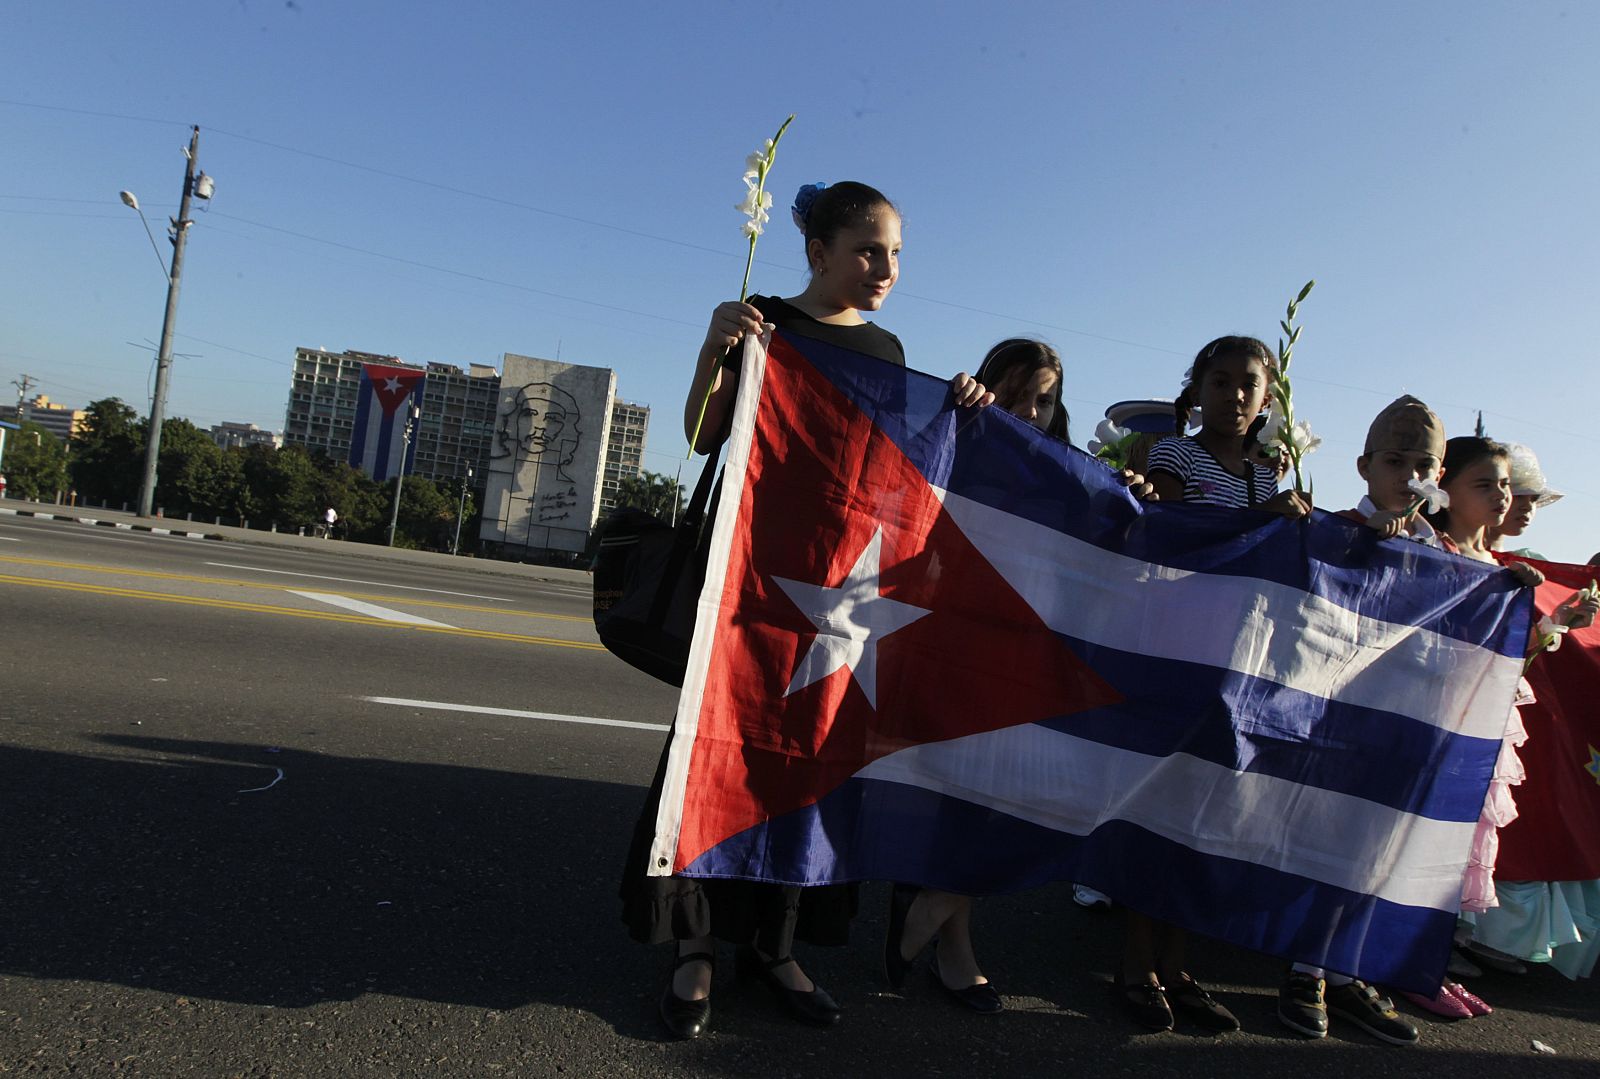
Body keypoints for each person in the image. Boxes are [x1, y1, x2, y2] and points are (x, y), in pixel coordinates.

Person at [621, 180, 991, 1041]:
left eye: (896, 252)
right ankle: (698, 946)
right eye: (868, 249)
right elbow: (703, 432)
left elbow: (899, 471)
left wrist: (965, 410)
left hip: (843, 599)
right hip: (749, 582)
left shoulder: (892, 348)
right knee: (722, 752)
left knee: (808, 764)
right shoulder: (764, 318)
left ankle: (780, 947)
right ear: (818, 251)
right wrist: (714, 350)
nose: (886, 268)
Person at [1113, 336, 1309, 1034]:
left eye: (1246, 384)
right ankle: (1135, 963)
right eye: (1218, 381)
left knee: (1203, 813)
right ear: (1196, 390)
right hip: (1178, 647)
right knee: (1161, 802)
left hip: (1242, 659)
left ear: (1267, 398)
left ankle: (1177, 964)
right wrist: (1265, 521)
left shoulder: (1268, 476)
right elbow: (1176, 535)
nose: (1232, 395)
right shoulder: (1175, 456)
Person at [1277, 397, 1456, 1045]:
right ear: (1364, 466)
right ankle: (1304, 968)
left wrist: (1507, 585)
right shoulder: (1339, 528)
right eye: (1393, 460)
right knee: (1328, 840)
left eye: (1423, 464)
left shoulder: (1446, 549)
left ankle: (1348, 969)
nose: (1408, 476)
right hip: (1340, 714)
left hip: (1409, 720)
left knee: (1377, 850)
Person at [1486, 443, 1562, 559]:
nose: (1528, 507)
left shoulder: (1534, 563)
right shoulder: (1452, 555)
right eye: (1518, 496)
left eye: (1534, 499)